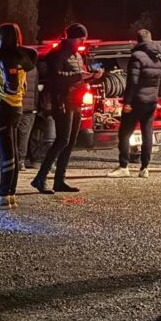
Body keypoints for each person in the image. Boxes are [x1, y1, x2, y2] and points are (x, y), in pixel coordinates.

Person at [31, 23, 103, 194]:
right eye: (80, 38)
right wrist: (79, 76)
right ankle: (41, 178)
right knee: (62, 139)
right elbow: (55, 77)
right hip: (62, 101)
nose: (82, 42)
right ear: (71, 38)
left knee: (70, 141)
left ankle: (59, 180)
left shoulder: (77, 55)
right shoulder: (57, 54)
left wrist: (92, 76)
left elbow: (78, 77)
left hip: (76, 101)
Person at [0, 23, 39, 210]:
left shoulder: (6, 58)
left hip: (2, 108)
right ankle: (9, 194)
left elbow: (12, 85)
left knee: (6, 154)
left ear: (4, 38)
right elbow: (21, 85)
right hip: (15, 108)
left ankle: (3, 195)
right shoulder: (19, 57)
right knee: (12, 152)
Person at [108, 29, 161, 179]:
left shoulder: (137, 57)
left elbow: (132, 82)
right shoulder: (159, 58)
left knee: (125, 133)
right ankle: (145, 168)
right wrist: (156, 96)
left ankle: (124, 166)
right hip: (151, 101)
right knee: (147, 133)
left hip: (136, 101)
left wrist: (127, 102)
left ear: (138, 41)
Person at [16, 59, 39, 171]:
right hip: (29, 108)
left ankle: (14, 159)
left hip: (15, 105)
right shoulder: (33, 69)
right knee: (24, 135)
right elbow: (35, 89)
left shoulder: (14, 67)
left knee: (13, 134)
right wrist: (35, 106)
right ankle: (21, 160)